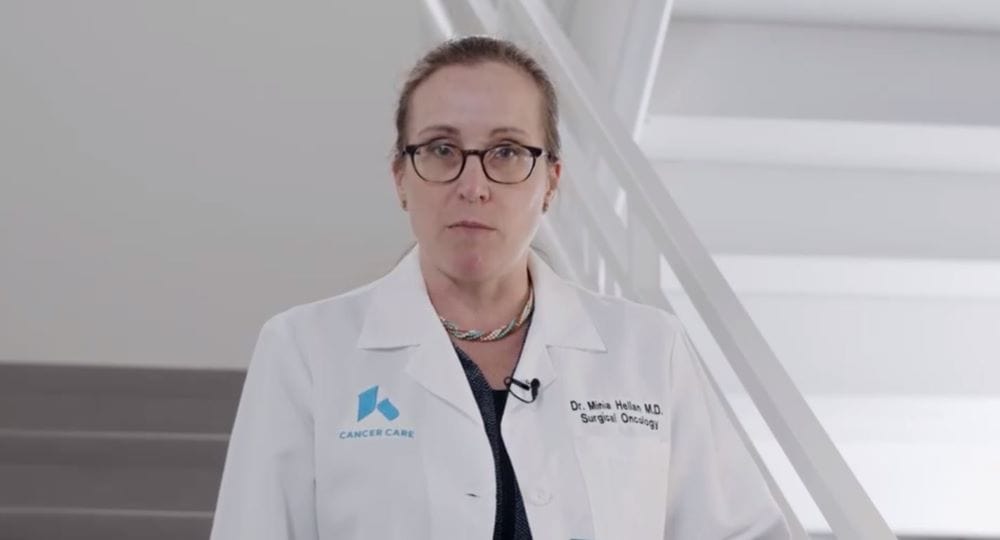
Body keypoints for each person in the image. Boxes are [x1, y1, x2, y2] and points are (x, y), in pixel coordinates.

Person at [210, 36, 790, 540]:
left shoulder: (648, 350)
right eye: (441, 150)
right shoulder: (306, 350)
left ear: (550, 182)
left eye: (507, 152)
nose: (473, 185)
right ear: (401, 178)